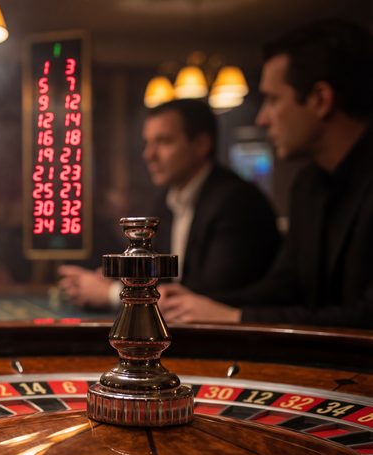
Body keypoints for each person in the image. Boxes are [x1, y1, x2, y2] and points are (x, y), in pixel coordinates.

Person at [159, 20, 373, 328]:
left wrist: (235, 316)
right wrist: (203, 305)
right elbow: (284, 287)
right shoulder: (308, 185)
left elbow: (366, 318)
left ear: (320, 100)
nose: (262, 118)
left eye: (273, 100)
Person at [59, 99, 281, 309]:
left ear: (202, 144)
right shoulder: (166, 201)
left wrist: (111, 294)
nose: (149, 155)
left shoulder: (237, 202)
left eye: (164, 141)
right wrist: (112, 277)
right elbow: (161, 277)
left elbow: (208, 300)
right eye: (148, 143)